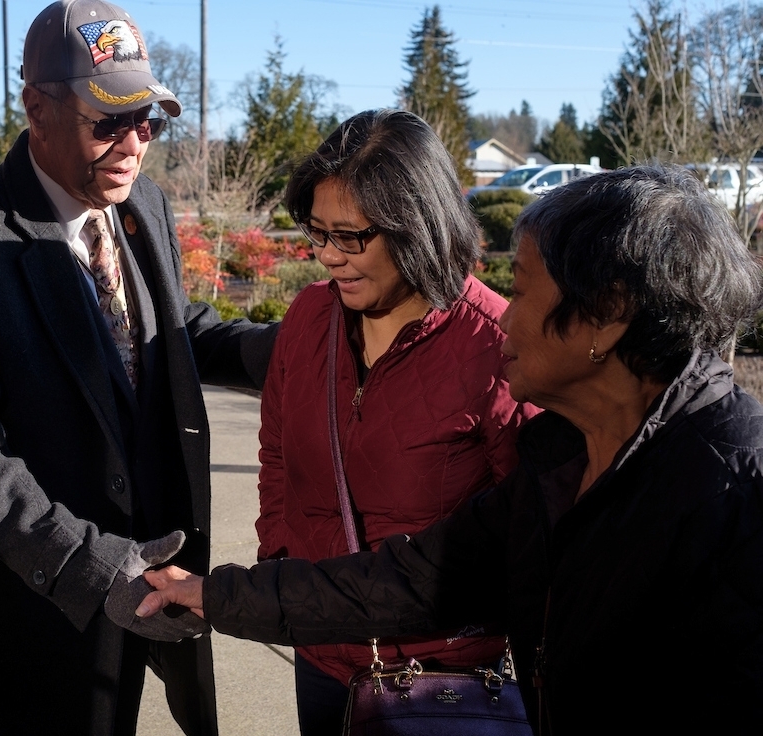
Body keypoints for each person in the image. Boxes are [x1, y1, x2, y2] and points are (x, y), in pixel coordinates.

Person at [137, 163, 763, 734]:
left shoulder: (735, 493)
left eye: (520, 291)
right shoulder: (560, 462)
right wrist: (217, 593)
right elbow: (407, 580)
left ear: (607, 314)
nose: (505, 319)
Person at [0, 2, 277, 734]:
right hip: (36, 611)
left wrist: (289, 350)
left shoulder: (144, 205)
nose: (135, 143)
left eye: (149, 120)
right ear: (36, 107)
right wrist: (91, 567)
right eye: (109, 121)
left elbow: (166, 331)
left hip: (150, 582)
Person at [255, 109, 539, 733]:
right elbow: (276, 450)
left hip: (443, 677)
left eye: (351, 236)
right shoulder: (309, 316)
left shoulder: (496, 342)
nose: (330, 256)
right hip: (321, 649)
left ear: (418, 226)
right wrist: (279, 554)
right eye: (317, 233)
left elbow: (529, 523)